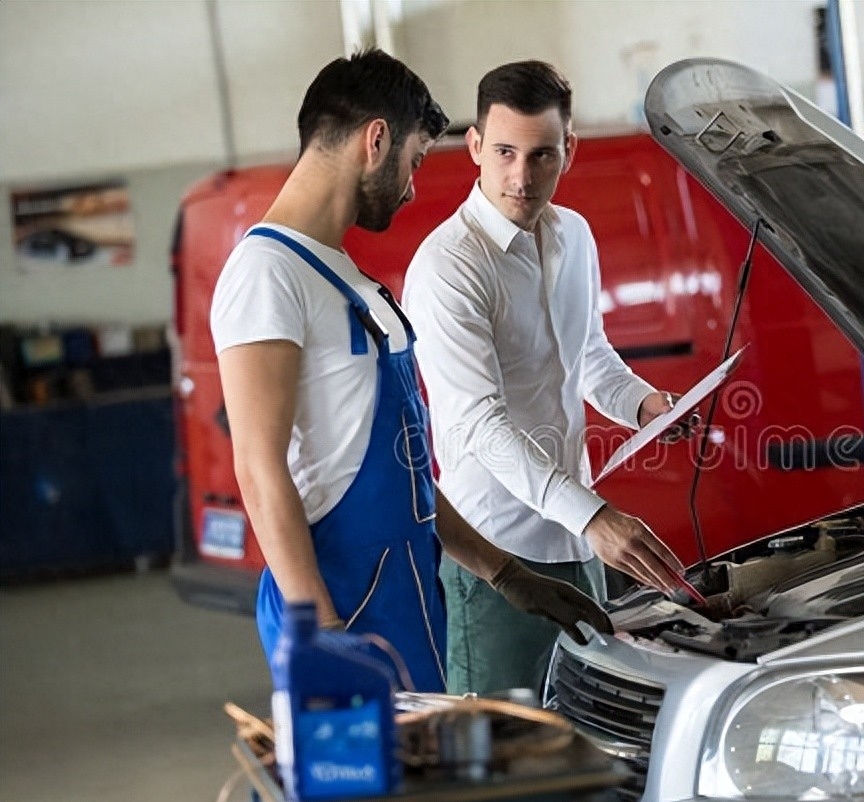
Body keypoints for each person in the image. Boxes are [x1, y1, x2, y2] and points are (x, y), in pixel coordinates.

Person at [211, 49, 611, 694]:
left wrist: (503, 572)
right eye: (416, 159)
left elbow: (410, 471)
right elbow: (259, 471)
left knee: (439, 785)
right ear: (376, 140)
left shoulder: (344, 275)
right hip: (341, 598)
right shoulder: (267, 273)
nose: (414, 185)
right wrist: (323, 629)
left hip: (403, 585)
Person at [402, 60, 690, 696]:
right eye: (503, 152)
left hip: (574, 547)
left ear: (569, 151)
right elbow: (479, 423)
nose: (521, 176)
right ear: (474, 146)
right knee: (505, 756)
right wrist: (593, 517)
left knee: (587, 732)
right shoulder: (449, 267)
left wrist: (645, 406)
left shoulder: (573, 236)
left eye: (541, 156)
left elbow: (588, 355)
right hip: (497, 555)